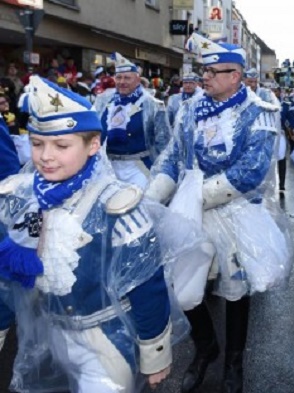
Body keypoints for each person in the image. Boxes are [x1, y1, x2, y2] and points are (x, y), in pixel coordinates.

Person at [0, 75, 177, 392]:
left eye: (61, 145)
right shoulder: (20, 198)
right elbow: (7, 279)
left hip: (105, 339)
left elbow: (146, 284)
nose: (46, 156)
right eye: (37, 144)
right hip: (47, 337)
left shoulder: (117, 206)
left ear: (93, 145)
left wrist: (155, 352)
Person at [147, 33, 293, 393]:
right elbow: (172, 157)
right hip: (190, 207)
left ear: (236, 75)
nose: (205, 77)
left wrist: (197, 196)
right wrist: (151, 197)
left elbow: (252, 171)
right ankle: (206, 347)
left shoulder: (259, 112)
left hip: (235, 210)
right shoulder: (190, 109)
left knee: (234, 290)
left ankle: (233, 361)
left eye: (214, 71)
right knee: (184, 290)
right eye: (203, 70)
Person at [94, 52, 171, 189]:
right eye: (119, 77)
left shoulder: (153, 105)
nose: (122, 82)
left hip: (139, 168)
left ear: (137, 80)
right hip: (107, 167)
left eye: (127, 78)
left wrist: (162, 172)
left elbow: (163, 143)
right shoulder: (103, 101)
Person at [244, 68, 287, 194]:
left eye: (254, 82)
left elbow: (276, 111)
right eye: (249, 82)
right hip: (246, 137)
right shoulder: (239, 93)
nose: (252, 85)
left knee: (264, 168)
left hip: (264, 135)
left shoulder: (266, 94)